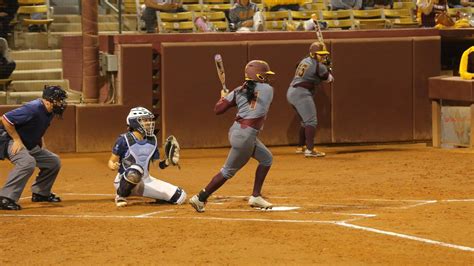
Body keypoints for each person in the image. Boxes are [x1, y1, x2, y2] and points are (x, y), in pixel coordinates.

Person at [189, 60, 275, 213]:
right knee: (228, 171)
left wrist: (223, 98)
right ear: (259, 76)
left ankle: (256, 196)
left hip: (239, 132)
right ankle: (201, 197)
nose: (267, 78)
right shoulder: (268, 89)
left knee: (267, 158)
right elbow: (255, 96)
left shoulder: (238, 91)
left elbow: (218, 109)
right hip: (246, 136)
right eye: (264, 75)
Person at [0, 85, 67, 210]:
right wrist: (16, 139)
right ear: (48, 101)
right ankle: (5, 197)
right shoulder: (33, 108)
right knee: (27, 162)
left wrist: (42, 145)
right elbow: (5, 119)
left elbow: (37, 128)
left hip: (27, 143)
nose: (61, 103)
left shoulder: (50, 111)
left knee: (53, 161)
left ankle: (41, 193)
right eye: (59, 100)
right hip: (7, 140)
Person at [107, 107, 186, 207]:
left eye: (149, 120)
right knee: (136, 169)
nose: (149, 123)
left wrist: (168, 162)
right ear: (134, 122)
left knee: (180, 196)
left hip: (145, 181)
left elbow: (157, 165)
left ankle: (159, 197)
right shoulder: (124, 139)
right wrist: (113, 165)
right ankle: (121, 196)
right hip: (124, 180)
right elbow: (110, 161)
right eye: (145, 120)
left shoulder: (152, 140)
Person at [287, 41, 334, 158]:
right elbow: (329, 79)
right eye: (320, 54)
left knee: (305, 121)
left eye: (324, 54)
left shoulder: (304, 60)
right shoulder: (319, 66)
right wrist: (329, 67)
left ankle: (301, 146)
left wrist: (324, 65)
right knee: (311, 121)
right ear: (313, 54)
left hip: (292, 92)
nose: (323, 57)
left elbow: (297, 65)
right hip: (301, 93)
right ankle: (310, 149)